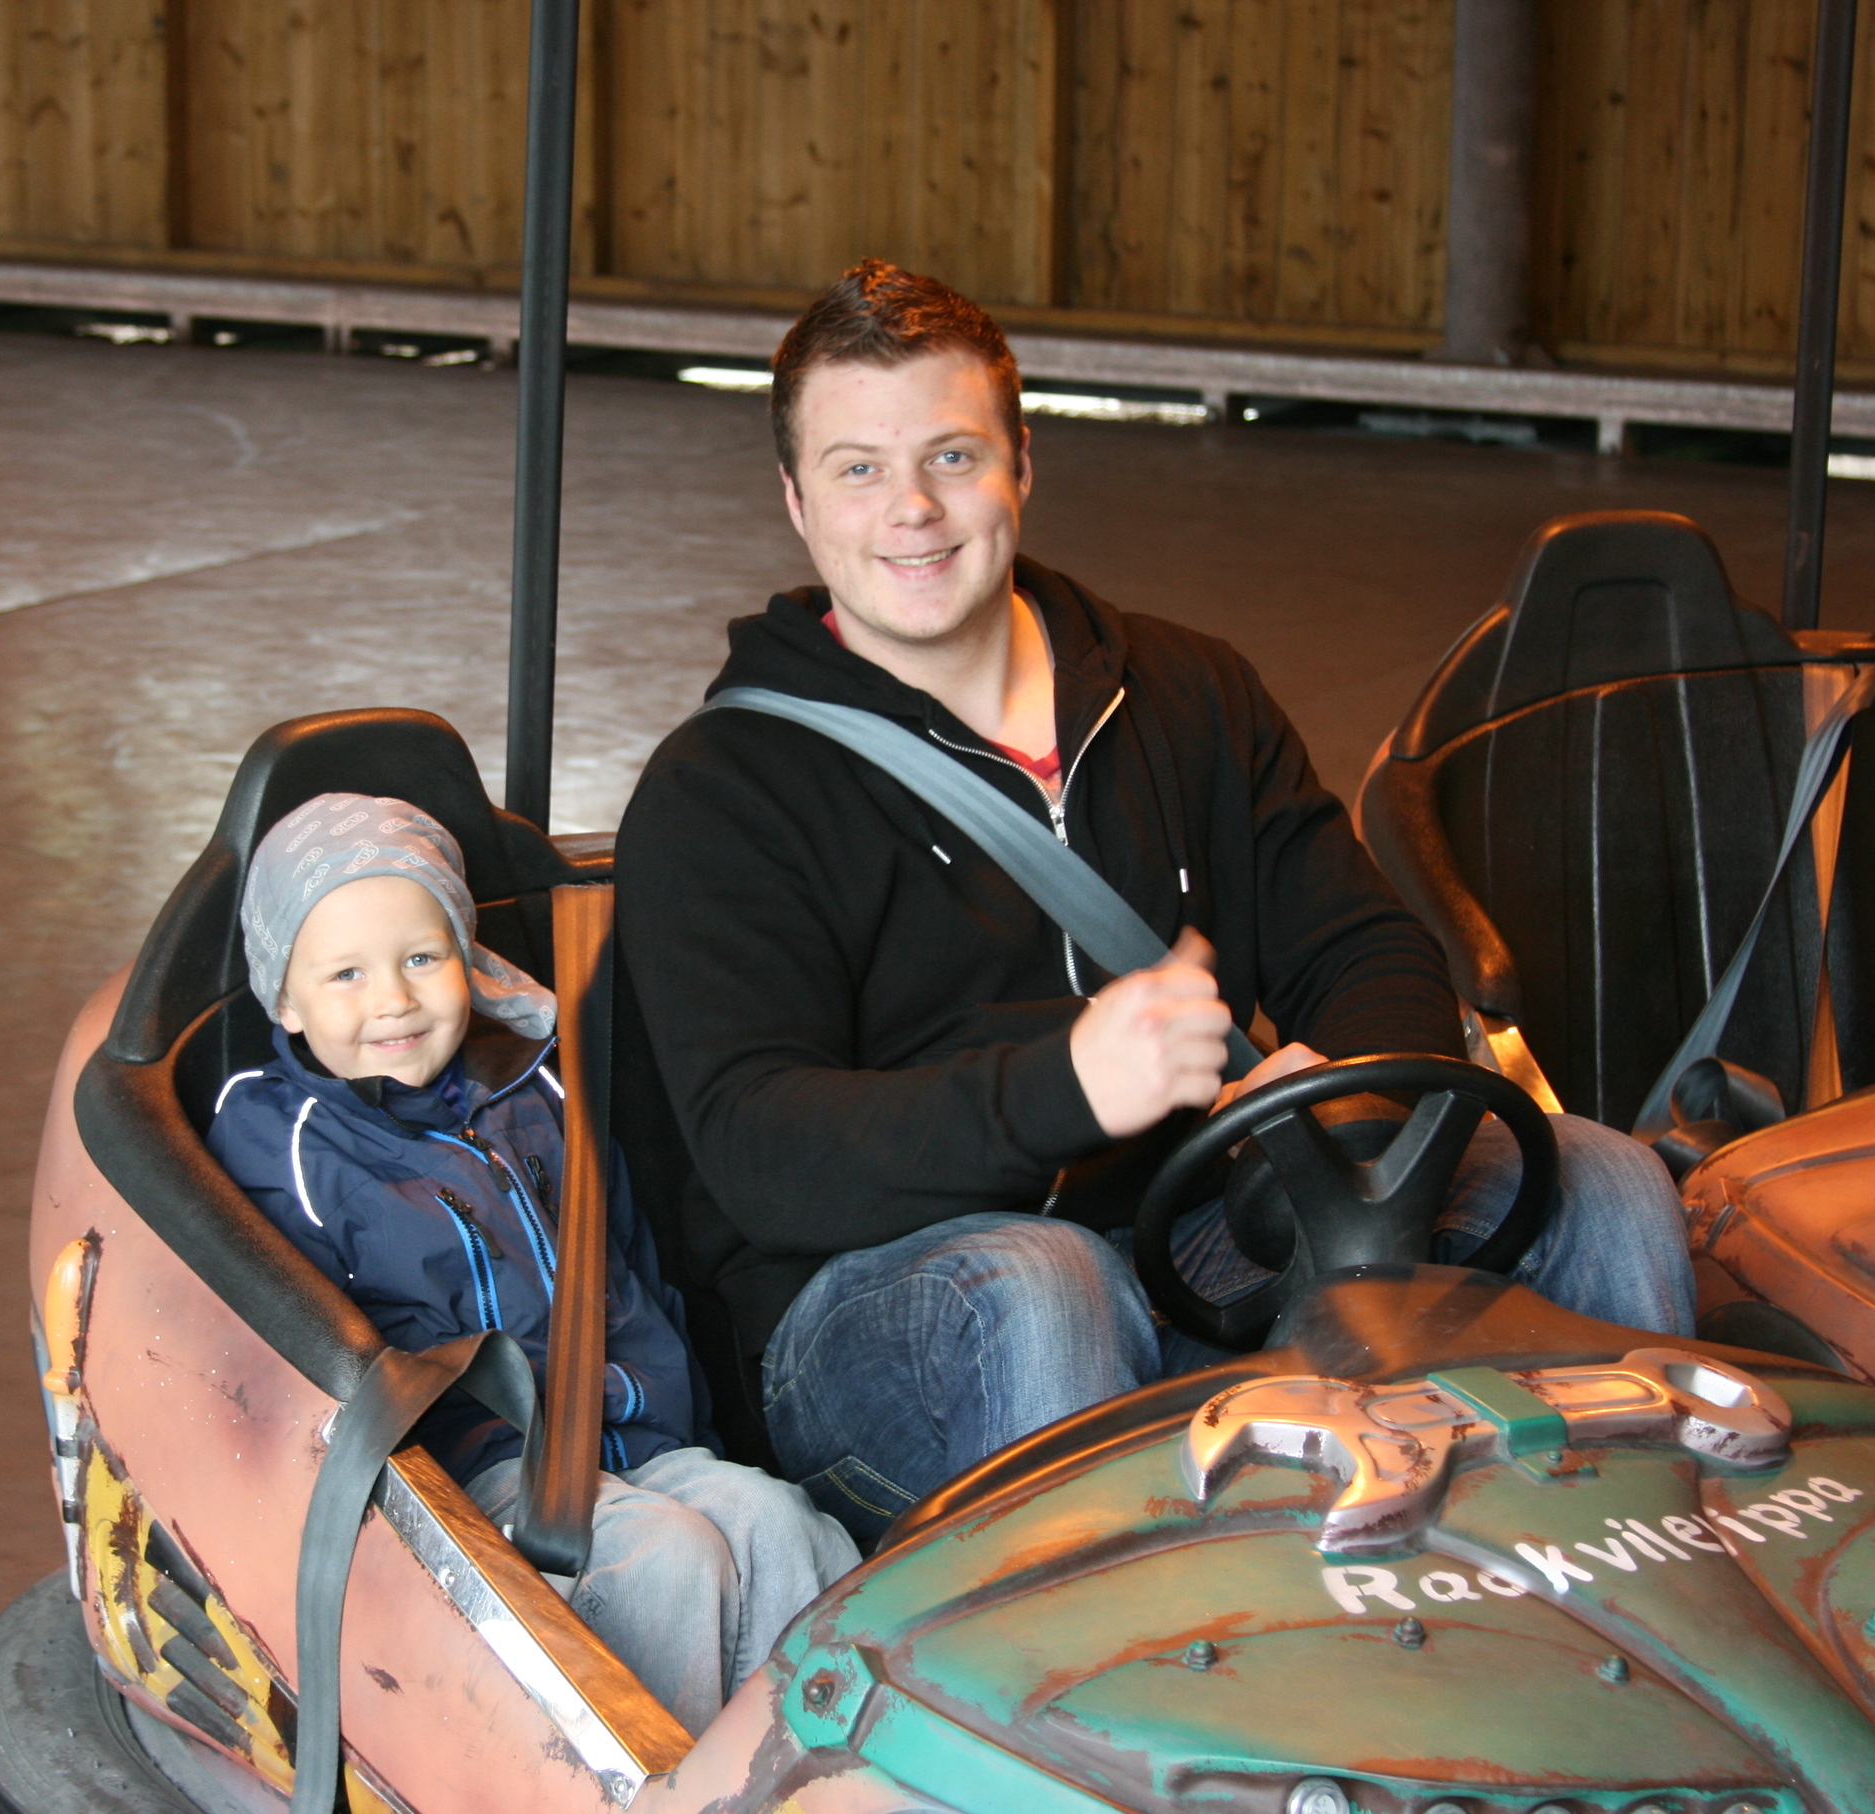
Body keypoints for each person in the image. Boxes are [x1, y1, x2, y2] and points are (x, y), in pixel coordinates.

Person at [616, 258, 1694, 1544]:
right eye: (858, 469)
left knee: (1603, 1175)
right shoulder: (722, 789)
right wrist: (1067, 1088)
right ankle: (1092, 1663)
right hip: (884, 1315)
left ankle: (1638, 1577)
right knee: (1044, 1281)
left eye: (953, 456)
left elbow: (1361, 942)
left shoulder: (1187, 693)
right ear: (797, 500)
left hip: (1206, 1234)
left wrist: (1351, 1099)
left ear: (1022, 463)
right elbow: (763, 1152)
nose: (911, 508)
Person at [205, 792, 857, 1731]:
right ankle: (660, 1784)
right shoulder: (286, 1149)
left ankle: (816, 1774)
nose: (393, 1000)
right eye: (346, 974)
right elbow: (301, 1376)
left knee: (776, 1520)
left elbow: (627, 1268)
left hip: (630, 1433)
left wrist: (680, 1415)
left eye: (421, 958)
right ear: (285, 1000)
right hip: (473, 1476)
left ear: (466, 960)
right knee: (666, 1560)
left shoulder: (535, 1082)